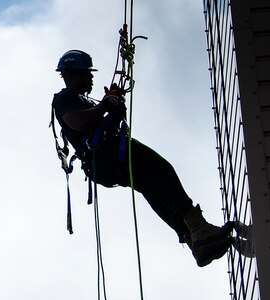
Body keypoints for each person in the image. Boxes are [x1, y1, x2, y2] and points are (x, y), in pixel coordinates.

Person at [51, 49, 232, 266]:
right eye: (86, 73)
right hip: (107, 156)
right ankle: (198, 228)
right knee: (162, 170)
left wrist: (113, 110)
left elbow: (95, 122)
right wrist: (105, 105)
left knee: (154, 189)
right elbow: (78, 122)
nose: (91, 77)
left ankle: (194, 239)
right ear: (71, 75)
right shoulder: (65, 98)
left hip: (107, 159)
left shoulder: (83, 100)